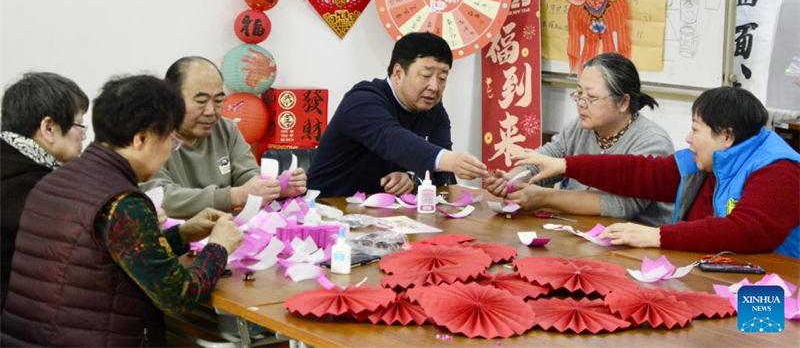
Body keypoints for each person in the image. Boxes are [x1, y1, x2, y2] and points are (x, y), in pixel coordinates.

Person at [1, 75, 243, 346]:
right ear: (141, 139)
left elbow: (111, 256)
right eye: (170, 142)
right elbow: (178, 295)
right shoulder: (121, 201)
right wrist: (219, 247)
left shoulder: (60, 178)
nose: (169, 152)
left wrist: (183, 233)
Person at [512, 86, 800, 257]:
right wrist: (565, 165)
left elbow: (746, 231)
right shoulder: (709, 159)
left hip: (776, 291)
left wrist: (656, 236)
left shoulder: (779, 170)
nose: (687, 138)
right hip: (722, 272)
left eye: (696, 129)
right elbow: (643, 173)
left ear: (726, 136)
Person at [485, 53, 675, 225]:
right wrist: (512, 179)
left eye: (591, 97)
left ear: (623, 102)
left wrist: (546, 197)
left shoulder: (652, 141)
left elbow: (621, 206)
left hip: (636, 248)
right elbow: (545, 161)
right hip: (578, 232)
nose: (581, 104)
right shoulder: (579, 127)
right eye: (579, 94)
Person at [308, 32, 488, 198]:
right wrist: (452, 159)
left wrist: (412, 179)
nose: (434, 86)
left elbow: (441, 175)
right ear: (398, 73)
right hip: (327, 209)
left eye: (442, 78)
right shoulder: (361, 100)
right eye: (426, 75)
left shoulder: (434, 110)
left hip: (386, 219)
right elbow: (392, 139)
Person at [141, 56, 306, 218]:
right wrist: (232, 196)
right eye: (201, 101)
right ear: (171, 98)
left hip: (224, 233)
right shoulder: (150, 136)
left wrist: (276, 187)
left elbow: (247, 175)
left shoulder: (226, 129)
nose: (211, 111)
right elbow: (160, 197)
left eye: (218, 101)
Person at [0, 72, 89, 310]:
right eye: (80, 125)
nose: (84, 137)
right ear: (48, 128)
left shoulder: (11, 163)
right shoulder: (39, 190)